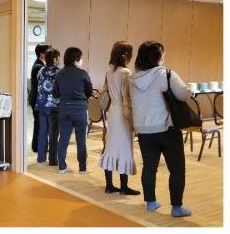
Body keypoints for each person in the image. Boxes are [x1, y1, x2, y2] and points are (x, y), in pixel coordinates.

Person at [129, 41, 192, 217]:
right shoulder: (166, 74)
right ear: (158, 57)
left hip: (143, 130)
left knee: (149, 167)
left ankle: (151, 202)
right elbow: (183, 93)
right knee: (177, 169)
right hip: (167, 128)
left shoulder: (133, 78)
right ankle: (177, 207)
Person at [98, 41, 140, 195]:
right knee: (125, 149)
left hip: (112, 112)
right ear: (125, 55)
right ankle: (124, 187)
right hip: (123, 114)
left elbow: (106, 92)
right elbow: (127, 99)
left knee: (111, 147)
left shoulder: (109, 71)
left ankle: (109, 186)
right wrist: (134, 121)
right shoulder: (126, 73)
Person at [54, 47, 93, 173]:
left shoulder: (59, 74)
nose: (82, 60)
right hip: (80, 109)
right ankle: (82, 168)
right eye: (81, 58)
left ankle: (62, 167)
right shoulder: (83, 73)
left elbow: (56, 92)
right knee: (81, 140)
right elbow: (89, 91)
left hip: (64, 108)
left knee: (63, 138)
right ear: (76, 59)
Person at [35, 47, 61, 165]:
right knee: (53, 133)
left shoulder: (41, 71)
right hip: (53, 106)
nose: (59, 60)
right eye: (58, 58)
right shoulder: (58, 72)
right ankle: (52, 160)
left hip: (41, 104)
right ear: (55, 59)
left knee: (42, 131)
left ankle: (41, 158)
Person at [29, 44, 51, 153]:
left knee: (38, 123)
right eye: (48, 51)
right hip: (37, 99)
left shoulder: (39, 64)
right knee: (39, 123)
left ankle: (36, 146)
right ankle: (37, 146)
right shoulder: (38, 66)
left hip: (36, 98)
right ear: (42, 53)